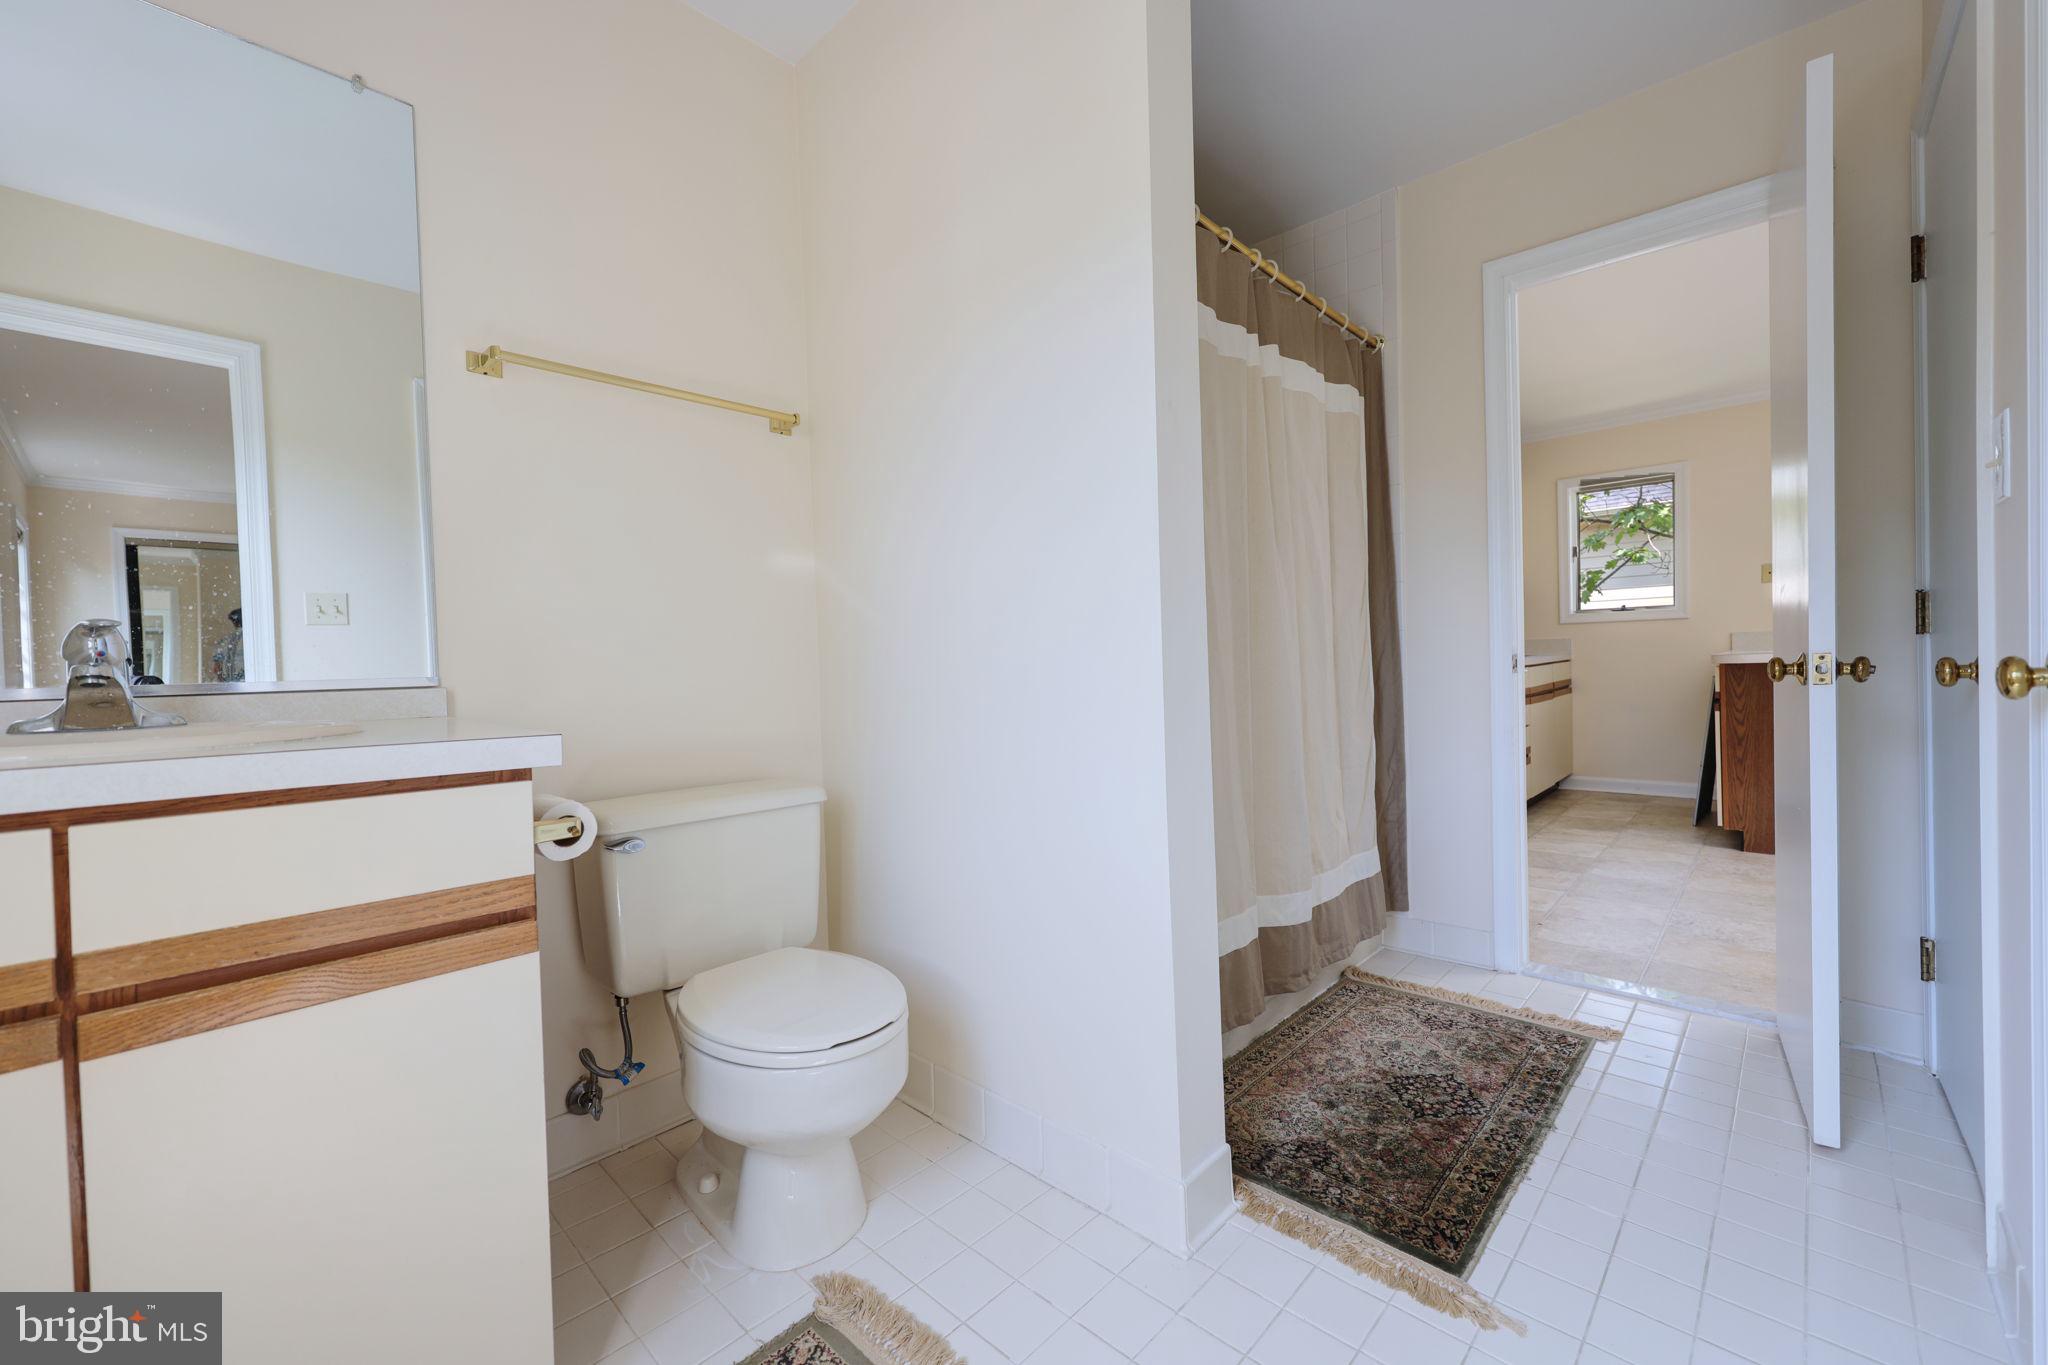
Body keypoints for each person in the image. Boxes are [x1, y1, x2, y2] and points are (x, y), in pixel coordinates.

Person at [209, 607, 244, 683]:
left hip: (228, 686)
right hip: (245, 685)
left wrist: (223, 682)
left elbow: (216, 667)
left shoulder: (225, 641)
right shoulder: (251, 640)